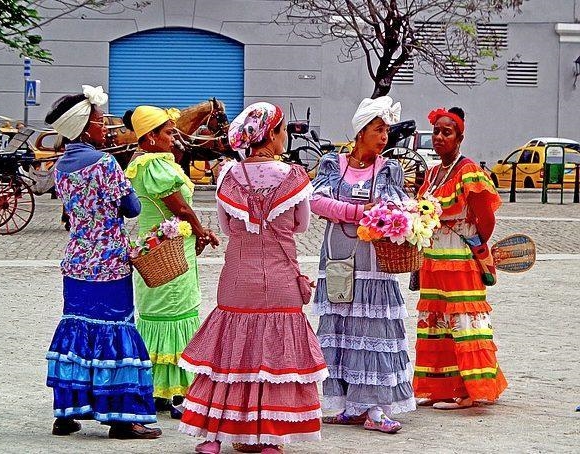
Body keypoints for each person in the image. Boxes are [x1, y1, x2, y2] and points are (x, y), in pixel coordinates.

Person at [177, 102, 328, 454]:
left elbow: (229, 227)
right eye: (283, 130)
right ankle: (268, 437)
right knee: (274, 357)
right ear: (272, 134)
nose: (285, 136)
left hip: (238, 277)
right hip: (279, 279)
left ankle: (214, 436)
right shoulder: (293, 178)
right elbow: (302, 225)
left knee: (229, 353)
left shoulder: (229, 176)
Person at [44, 85, 160, 439]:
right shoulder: (106, 163)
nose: (103, 127)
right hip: (109, 261)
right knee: (115, 329)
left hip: (77, 261)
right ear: (84, 127)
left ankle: (67, 413)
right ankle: (122, 417)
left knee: (76, 328)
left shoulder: (60, 166)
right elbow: (132, 208)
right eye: (97, 121)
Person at [310, 96, 415, 433]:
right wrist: (357, 211)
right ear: (360, 132)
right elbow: (316, 201)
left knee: (371, 329)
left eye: (386, 130)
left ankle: (374, 407)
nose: (384, 137)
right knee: (341, 328)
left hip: (374, 263)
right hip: (338, 258)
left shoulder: (389, 169)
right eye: (377, 129)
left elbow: (394, 206)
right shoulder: (331, 164)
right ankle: (345, 405)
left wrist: (397, 215)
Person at [123, 105, 220, 419]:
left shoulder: (145, 162)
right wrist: (201, 229)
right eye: (166, 132)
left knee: (158, 316)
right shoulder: (153, 165)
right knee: (175, 314)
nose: (173, 137)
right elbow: (180, 208)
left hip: (161, 247)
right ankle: (175, 392)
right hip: (169, 250)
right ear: (149, 137)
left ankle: (158, 391)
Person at [413, 107, 507, 409]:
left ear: (460, 138)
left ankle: (471, 389)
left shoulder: (468, 173)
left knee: (465, 323)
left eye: (447, 133)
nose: (439, 137)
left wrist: (476, 246)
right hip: (433, 261)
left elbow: (485, 217)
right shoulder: (432, 174)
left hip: (459, 260)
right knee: (438, 323)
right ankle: (441, 387)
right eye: (436, 132)